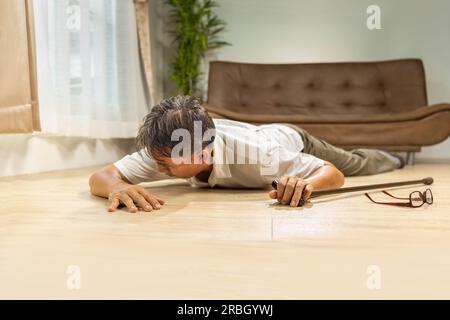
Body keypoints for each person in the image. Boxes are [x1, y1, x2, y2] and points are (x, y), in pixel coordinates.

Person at [89, 95, 402, 212]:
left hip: (295, 140)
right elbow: (100, 177)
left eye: (165, 165)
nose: (158, 169)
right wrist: (117, 186)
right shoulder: (164, 149)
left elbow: (333, 172)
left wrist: (307, 185)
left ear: (200, 154)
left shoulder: (262, 158)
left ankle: (392, 156)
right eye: (157, 161)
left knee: (360, 163)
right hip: (257, 132)